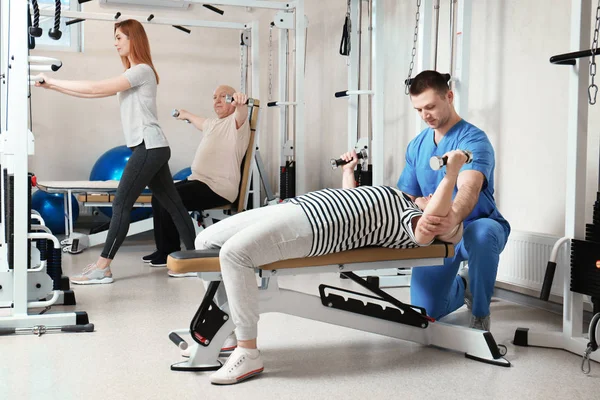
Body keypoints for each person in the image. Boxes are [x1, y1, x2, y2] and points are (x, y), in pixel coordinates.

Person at [192, 149, 470, 385]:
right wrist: (349, 172)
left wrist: (451, 175)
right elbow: (352, 204)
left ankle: (248, 351)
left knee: (234, 254)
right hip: (296, 207)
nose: (431, 193)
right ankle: (224, 331)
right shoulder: (398, 198)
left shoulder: (411, 221)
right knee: (204, 239)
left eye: (438, 200)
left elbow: (427, 227)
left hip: (312, 228)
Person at [35, 19, 196, 284]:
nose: (115, 42)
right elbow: (92, 94)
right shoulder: (135, 73)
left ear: (133, 39)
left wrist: (54, 80)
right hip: (153, 147)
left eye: (119, 37)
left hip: (149, 146)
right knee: (174, 205)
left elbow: (97, 87)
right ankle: (194, 260)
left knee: (121, 204)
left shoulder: (141, 70)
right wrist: (53, 86)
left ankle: (103, 267)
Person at [397, 70, 511, 331]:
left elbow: (469, 190)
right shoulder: (417, 145)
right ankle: (466, 286)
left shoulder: (474, 139)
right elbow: (407, 196)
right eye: (418, 110)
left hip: (475, 225)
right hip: (439, 233)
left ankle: (481, 315)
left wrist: (452, 216)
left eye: (430, 106)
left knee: (482, 234)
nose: (425, 115)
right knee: (427, 312)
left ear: (449, 96)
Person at [142, 86, 251, 268]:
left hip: (217, 187)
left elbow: (242, 112)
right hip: (199, 181)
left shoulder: (237, 123)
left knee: (169, 199)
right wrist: (185, 114)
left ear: (232, 101)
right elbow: (197, 120)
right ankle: (163, 249)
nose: (217, 101)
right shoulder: (213, 123)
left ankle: (169, 252)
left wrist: (241, 102)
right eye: (214, 97)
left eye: (223, 97)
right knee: (159, 195)